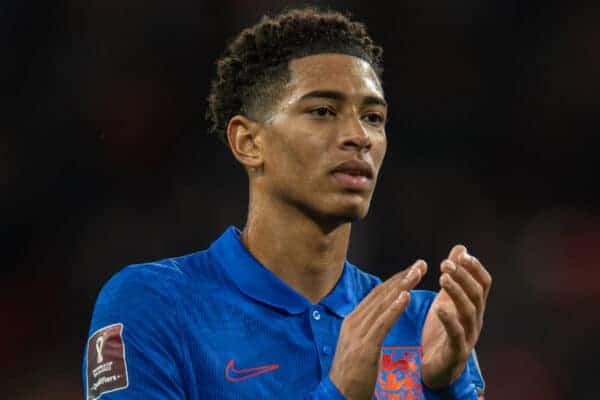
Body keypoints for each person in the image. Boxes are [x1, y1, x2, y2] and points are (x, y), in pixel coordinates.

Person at [83, 8, 491, 400]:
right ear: (248, 142)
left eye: (372, 117)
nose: (358, 136)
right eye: (322, 111)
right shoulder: (154, 305)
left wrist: (446, 387)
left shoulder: (422, 326)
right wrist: (339, 393)